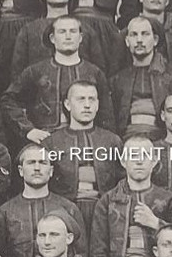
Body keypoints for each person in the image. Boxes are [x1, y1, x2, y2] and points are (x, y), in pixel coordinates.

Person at [86, 139, 172, 257]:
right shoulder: (107, 201)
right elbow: (98, 254)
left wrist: (157, 224)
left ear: (154, 161)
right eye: (133, 156)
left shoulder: (169, 199)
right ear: (123, 161)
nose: (139, 162)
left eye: (145, 156)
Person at [4, 16, 112, 147]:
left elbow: (107, 115)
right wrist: (29, 130)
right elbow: (8, 101)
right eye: (62, 32)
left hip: (87, 142)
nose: (68, 36)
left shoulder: (94, 73)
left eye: (73, 31)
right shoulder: (36, 71)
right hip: (46, 141)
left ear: (81, 37)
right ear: (53, 38)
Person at [0, 143, 86, 257]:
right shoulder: (4, 212)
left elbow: (81, 254)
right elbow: (1, 255)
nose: (37, 168)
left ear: (51, 171)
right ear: (20, 170)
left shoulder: (68, 208)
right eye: (31, 163)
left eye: (42, 163)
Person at [44, 79, 121, 233]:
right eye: (81, 99)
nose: (87, 105)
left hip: (105, 211)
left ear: (98, 105)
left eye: (91, 99)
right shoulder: (51, 142)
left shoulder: (112, 140)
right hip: (64, 212)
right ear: (67, 104)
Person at [111, 16, 172, 136]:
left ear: (155, 40)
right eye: (134, 35)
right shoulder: (119, 79)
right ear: (127, 41)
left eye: (145, 34)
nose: (139, 40)